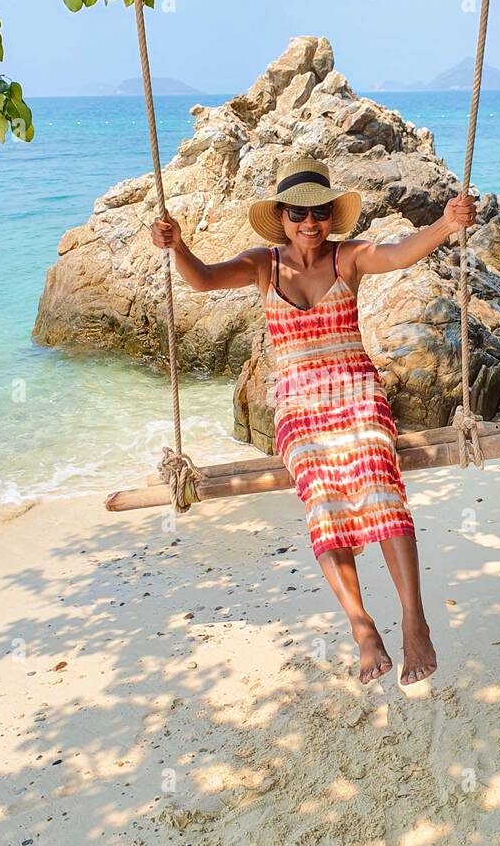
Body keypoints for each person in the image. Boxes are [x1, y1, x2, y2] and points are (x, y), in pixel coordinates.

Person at [151, 155, 477, 686]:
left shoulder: (349, 257)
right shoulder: (264, 265)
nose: (310, 223)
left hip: (355, 388)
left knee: (375, 469)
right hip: (298, 400)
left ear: (331, 217)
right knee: (322, 492)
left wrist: (445, 224)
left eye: (320, 212)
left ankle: (413, 618)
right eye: (298, 214)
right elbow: (204, 282)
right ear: (281, 217)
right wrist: (177, 245)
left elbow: (398, 256)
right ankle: (361, 624)